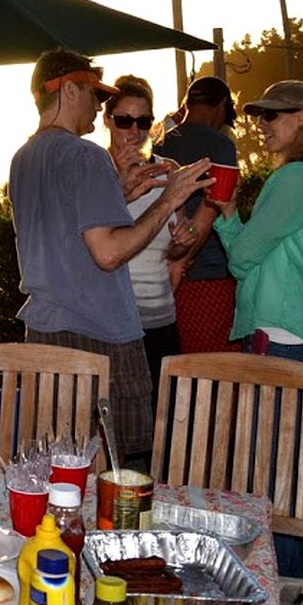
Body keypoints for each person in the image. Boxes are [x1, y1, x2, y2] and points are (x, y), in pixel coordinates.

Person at [9, 49, 209, 459]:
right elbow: (109, 254)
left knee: (60, 458)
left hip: (45, 330)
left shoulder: (24, 158)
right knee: (116, 469)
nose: (98, 106)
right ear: (69, 89)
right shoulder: (86, 155)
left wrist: (119, 193)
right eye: (95, 95)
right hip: (96, 334)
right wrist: (168, 199)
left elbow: (67, 232)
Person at [204, 80, 303, 367]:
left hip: (282, 336)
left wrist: (237, 243)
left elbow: (242, 257)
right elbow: (247, 254)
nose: (260, 123)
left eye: (270, 115)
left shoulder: (296, 177)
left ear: (302, 117)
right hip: (291, 333)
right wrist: (228, 214)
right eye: (260, 115)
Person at [103, 76, 180, 393]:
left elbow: (176, 250)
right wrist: (119, 181)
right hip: (112, 321)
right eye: (124, 121)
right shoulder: (94, 171)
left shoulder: (168, 171)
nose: (134, 131)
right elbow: (92, 244)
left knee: (166, 417)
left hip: (161, 316)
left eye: (143, 121)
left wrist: (182, 244)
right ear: (108, 120)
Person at [155, 75, 240, 353]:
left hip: (160, 274)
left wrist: (172, 263)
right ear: (222, 106)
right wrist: (184, 261)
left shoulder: (158, 143)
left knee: (175, 364)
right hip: (207, 275)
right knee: (214, 369)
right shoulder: (220, 145)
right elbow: (214, 205)